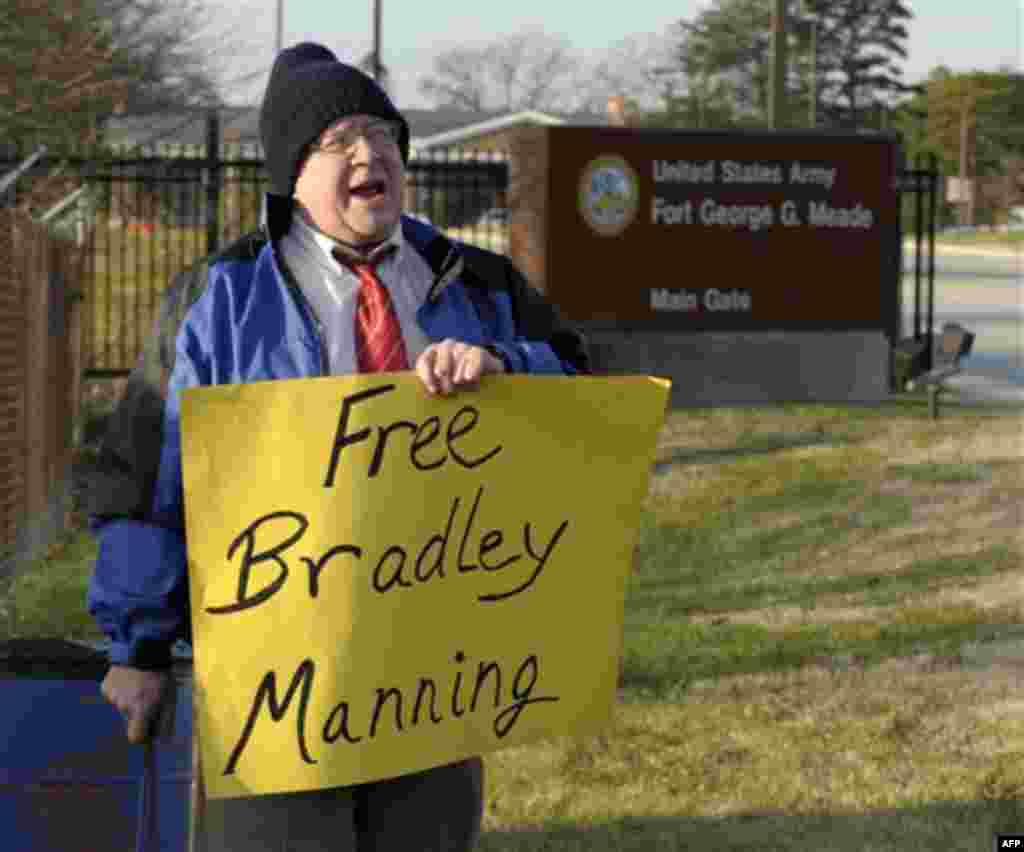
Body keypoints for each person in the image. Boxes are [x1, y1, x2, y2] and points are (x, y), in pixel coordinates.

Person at [85, 42, 589, 852]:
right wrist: (138, 644)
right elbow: (150, 476)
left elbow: (587, 400)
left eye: (384, 132)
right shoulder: (218, 298)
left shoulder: (482, 285)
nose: (371, 152)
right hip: (274, 673)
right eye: (339, 138)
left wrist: (508, 369)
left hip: (436, 672)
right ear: (291, 171)